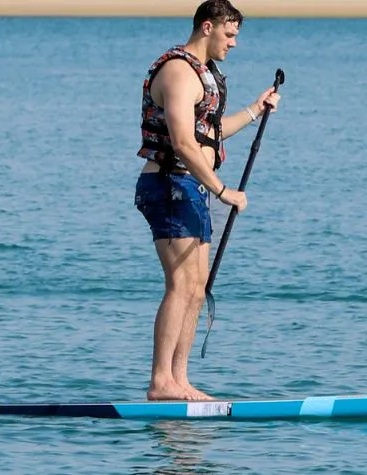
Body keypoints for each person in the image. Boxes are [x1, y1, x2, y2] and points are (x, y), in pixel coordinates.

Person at [133, 0, 281, 401]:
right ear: (206, 27)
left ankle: (178, 381)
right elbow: (182, 143)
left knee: (197, 288)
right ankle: (161, 381)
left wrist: (254, 109)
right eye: (229, 34)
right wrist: (222, 190)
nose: (233, 44)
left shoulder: (206, 75)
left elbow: (208, 135)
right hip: (169, 186)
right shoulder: (179, 72)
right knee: (180, 285)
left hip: (192, 188)